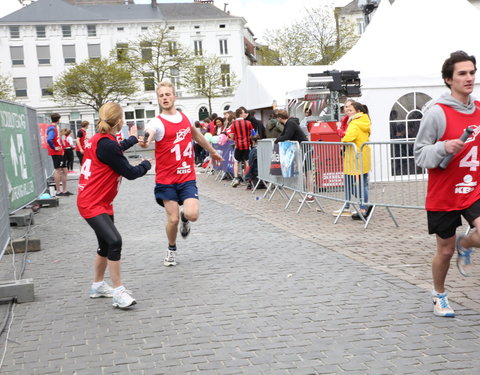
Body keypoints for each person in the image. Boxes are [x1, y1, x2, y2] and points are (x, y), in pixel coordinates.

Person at [414, 50, 480, 318]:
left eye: (472, 73)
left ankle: (467, 244)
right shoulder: (436, 113)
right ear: (448, 80)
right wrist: (443, 147)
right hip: (444, 194)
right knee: (445, 250)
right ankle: (439, 295)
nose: (469, 78)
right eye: (462, 74)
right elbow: (420, 155)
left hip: (474, 189)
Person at [77, 102, 151, 309]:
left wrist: (133, 139)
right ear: (119, 122)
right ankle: (118, 292)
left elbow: (115, 149)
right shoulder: (107, 144)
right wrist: (146, 164)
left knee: (105, 245)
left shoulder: (99, 139)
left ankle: (98, 285)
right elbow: (130, 173)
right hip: (92, 203)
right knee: (115, 241)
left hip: (98, 201)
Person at [143, 81, 223, 267]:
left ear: (174, 97)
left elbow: (197, 136)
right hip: (166, 179)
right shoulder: (156, 122)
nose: (165, 98)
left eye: (167, 94)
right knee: (172, 219)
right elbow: (150, 132)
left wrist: (212, 151)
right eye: (161, 95)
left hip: (186, 176)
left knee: (192, 214)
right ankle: (171, 248)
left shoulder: (185, 117)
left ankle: (185, 219)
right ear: (158, 99)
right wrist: (145, 140)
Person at [334, 101, 371, 218]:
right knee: (359, 183)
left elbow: (347, 138)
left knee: (356, 184)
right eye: (346, 109)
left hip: (355, 157)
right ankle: (363, 206)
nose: (347, 112)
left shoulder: (355, 123)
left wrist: (339, 129)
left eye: (350, 110)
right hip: (360, 155)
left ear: (358, 111)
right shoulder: (363, 120)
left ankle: (363, 208)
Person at [46, 113, 72, 196]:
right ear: (58, 119)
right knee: (58, 170)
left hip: (60, 152)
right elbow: (49, 139)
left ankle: (64, 190)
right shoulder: (52, 128)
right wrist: (54, 147)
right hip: (56, 153)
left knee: (65, 170)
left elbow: (56, 139)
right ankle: (58, 191)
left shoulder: (55, 127)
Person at [229, 107, 254, 187]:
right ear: (240, 114)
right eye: (243, 113)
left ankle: (236, 178)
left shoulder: (233, 124)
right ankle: (248, 179)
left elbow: (232, 137)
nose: (245, 114)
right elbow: (253, 134)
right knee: (247, 162)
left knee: (236, 162)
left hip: (238, 145)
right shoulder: (248, 123)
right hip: (247, 145)